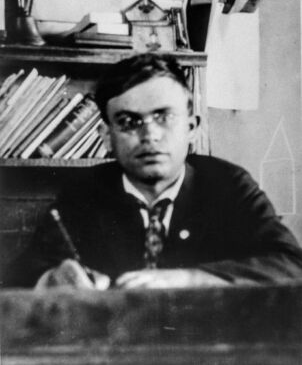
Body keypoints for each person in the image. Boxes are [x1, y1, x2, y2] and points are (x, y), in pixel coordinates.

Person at [5, 53, 302, 289]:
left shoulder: (227, 184)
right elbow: (19, 276)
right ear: (106, 136)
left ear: (191, 129)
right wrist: (51, 279)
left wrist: (190, 279)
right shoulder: (84, 191)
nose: (150, 135)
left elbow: (290, 264)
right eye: (129, 122)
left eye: (164, 117)